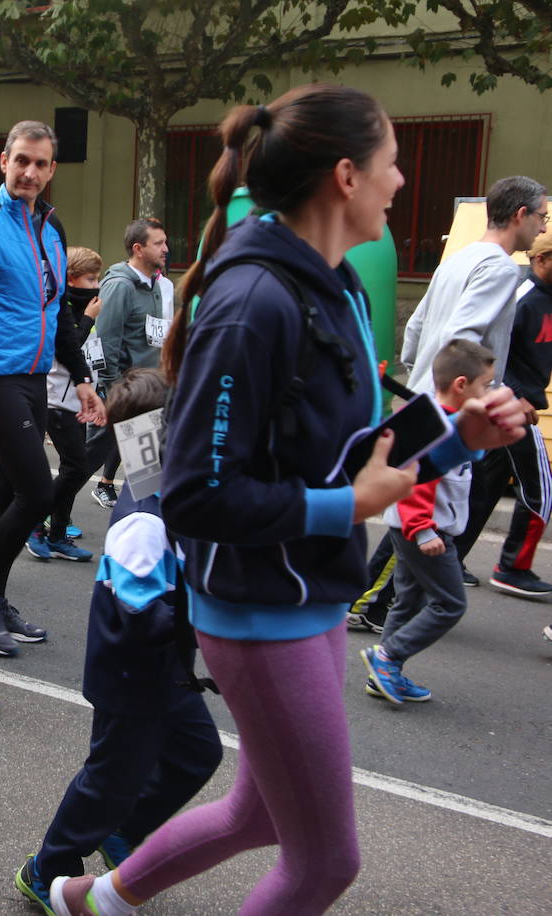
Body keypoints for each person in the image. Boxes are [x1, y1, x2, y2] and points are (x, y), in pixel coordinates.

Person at [50, 84, 525, 916]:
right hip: (260, 611)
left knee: (258, 813)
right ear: (346, 175)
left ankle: (91, 900)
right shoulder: (253, 302)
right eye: (392, 163)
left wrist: (456, 438)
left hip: (307, 596)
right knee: (324, 864)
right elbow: (196, 494)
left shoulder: (332, 282)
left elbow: (354, 445)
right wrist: (343, 510)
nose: (402, 182)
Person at [15, 368, 222, 913]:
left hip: (166, 669)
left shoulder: (170, 493)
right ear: (151, 437)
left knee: (198, 752)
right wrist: (209, 629)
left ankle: (122, 832)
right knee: (111, 776)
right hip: (131, 675)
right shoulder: (142, 519)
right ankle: (48, 867)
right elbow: (138, 607)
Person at [0, 120, 102, 658]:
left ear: (51, 170)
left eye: (40, 164)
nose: (30, 172)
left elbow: (57, 313)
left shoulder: (52, 230)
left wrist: (81, 378)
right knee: (38, 491)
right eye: (21, 161)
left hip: (36, 378)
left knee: (14, 491)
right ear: (4, 161)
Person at [402, 174, 547, 586]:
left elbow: (415, 329)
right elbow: (463, 339)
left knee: (425, 505)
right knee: (424, 512)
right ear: (520, 215)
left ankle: (388, 604)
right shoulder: (501, 268)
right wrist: (494, 398)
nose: (543, 228)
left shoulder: (459, 258)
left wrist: (418, 379)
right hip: (449, 409)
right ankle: (377, 605)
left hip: (427, 398)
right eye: (541, 217)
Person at [362, 340, 493, 705]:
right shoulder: (437, 428)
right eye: (486, 385)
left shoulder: (448, 422)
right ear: (462, 384)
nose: (489, 392)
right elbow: (416, 483)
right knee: (450, 604)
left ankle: (384, 673)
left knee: (407, 602)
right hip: (424, 532)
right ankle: (387, 658)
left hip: (418, 530)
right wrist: (422, 530)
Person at [462, 229, 552, 597]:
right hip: (512, 404)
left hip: (521, 403)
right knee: (542, 490)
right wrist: (513, 394)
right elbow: (488, 351)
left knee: (485, 488)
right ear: (541, 260)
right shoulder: (522, 298)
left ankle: (449, 560)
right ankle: (513, 566)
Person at [87, 218, 173, 510]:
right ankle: (45, 521)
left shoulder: (156, 286)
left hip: (145, 395)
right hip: (122, 394)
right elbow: (106, 341)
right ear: (138, 248)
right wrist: (113, 393)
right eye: (158, 243)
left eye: (165, 242)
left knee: (146, 478)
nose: (166, 249)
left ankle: (139, 534)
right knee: (81, 466)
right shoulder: (120, 285)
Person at [34, 246, 103, 561]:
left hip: (76, 400)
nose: (96, 284)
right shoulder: (64, 306)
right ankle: (36, 523)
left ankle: (58, 534)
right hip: (56, 400)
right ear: (72, 278)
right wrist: (88, 319)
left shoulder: (86, 305)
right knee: (76, 467)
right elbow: (67, 346)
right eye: (91, 278)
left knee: (74, 467)